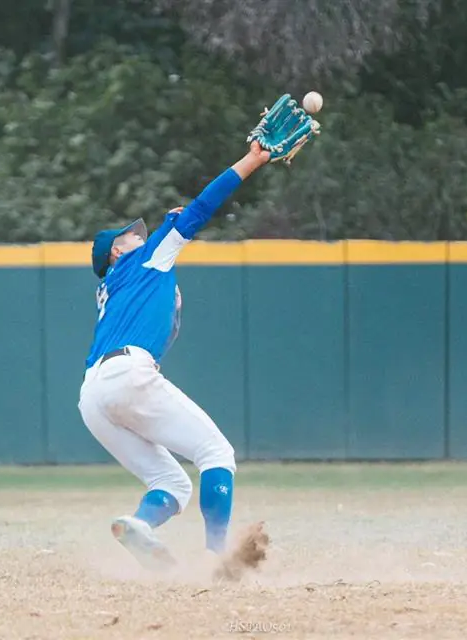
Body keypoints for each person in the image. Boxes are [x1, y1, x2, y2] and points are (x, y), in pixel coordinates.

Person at [77, 141, 271, 573]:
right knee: (216, 453)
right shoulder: (145, 258)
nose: (137, 234)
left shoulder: (115, 285)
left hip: (92, 396)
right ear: (117, 251)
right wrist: (253, 160)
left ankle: (138, 524)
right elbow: (202, 207)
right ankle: (218, 556)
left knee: (171, 483)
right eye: (130, 234)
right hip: (127, 371)